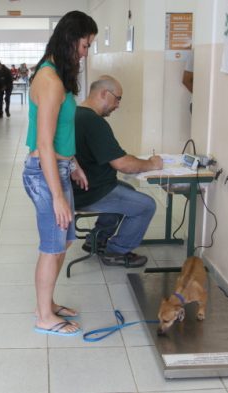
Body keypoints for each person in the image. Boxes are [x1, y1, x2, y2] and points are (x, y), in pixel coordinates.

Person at [22, 10, 97, 337]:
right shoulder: (50, 81)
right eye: (84, 45)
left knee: (63, 242)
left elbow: (61, 134)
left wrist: (75, 163)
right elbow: (44, 142)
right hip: (44, 172)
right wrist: (57, 196)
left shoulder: (56, 75)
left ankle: (47, 305)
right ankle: (44, 317)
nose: (86, 52)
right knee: (53, 245)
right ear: (70, 40)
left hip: (58, 165)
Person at [73, 75, 163, 267]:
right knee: (146, 205)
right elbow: (122, 164)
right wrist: (152, 164)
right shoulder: (93, 122)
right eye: (118, 98)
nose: (118, 105)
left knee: (128, 191)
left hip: (83, 186)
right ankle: (117, 251)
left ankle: (96, 239)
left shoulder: (77, 114)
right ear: (104, 93)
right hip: (91, 192)